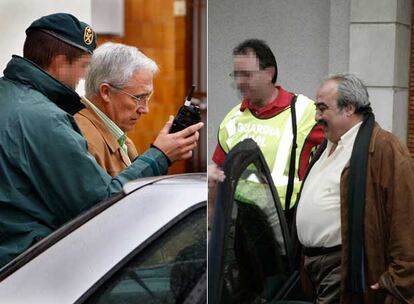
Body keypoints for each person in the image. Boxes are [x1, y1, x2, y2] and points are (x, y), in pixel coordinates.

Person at [0, 13, 202, 267]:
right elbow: (100, 208)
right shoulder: (46, 120)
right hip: (24, 267)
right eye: (83, 67)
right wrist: (160, 155)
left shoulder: (12, 98)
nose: (84, 79)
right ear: (60, 63)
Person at [295, 73, 414, 303]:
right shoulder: (327, 144)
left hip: (343, 267)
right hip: (311, 268)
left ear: (348, 108)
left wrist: (400, 281)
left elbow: (406, 217)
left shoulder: (383, 148)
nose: (316, 116)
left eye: (322, 108)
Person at [211, 38, 324, 215]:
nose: (239, 82)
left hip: (286, 222)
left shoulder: (304, 111)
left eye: (247, 74)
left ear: (269, 73)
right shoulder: (233, 118)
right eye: (236, 74)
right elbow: (217, 173)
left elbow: (343, 143)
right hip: (239, 222)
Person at [75, 42, 163, 176]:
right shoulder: (84, 140)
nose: (145, 109)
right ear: (106, 92)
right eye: (139, 97)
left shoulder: (118, 134)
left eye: (148, 97)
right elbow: (109, 196)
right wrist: (160, 155)